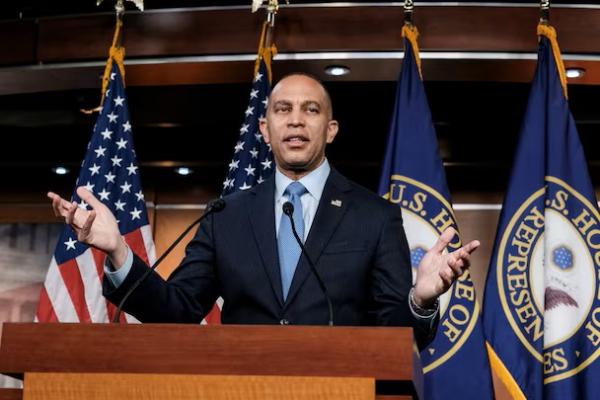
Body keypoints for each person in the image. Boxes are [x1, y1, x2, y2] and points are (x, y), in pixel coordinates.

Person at [48, 73, 478, 342]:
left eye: (310, 111)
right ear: (264, 129)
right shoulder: (226, 215)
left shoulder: (374, 216)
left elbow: (396, 336)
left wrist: (420, 300)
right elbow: (176, 309)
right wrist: (118, 252)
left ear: (330, 131)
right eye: (282, 110)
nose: (295, 120)